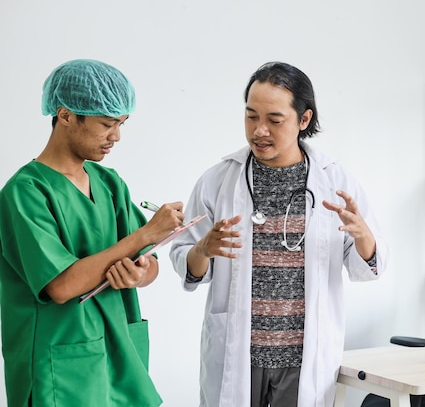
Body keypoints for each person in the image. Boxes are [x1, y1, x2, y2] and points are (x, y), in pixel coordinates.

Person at [169, 61, 389, 407]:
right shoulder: (218, 180)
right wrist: (202, 249)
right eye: (251, 116)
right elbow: (187, 264)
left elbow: (369, 267)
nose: (259, 130)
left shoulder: (336, 180)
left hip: (303, 358)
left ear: (303, 120)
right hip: (238, 351)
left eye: (274, 120)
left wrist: (363, 236)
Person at [0, 59, 184, 407]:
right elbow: (60, 286)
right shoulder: (26, 192)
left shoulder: (109, 183)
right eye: (106, 124)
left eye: (121, 124)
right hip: (59, 366)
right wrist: (144, 235)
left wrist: (140, 272)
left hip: (118, 355)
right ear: (66, 115)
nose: (115, 137)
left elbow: (152, 265)